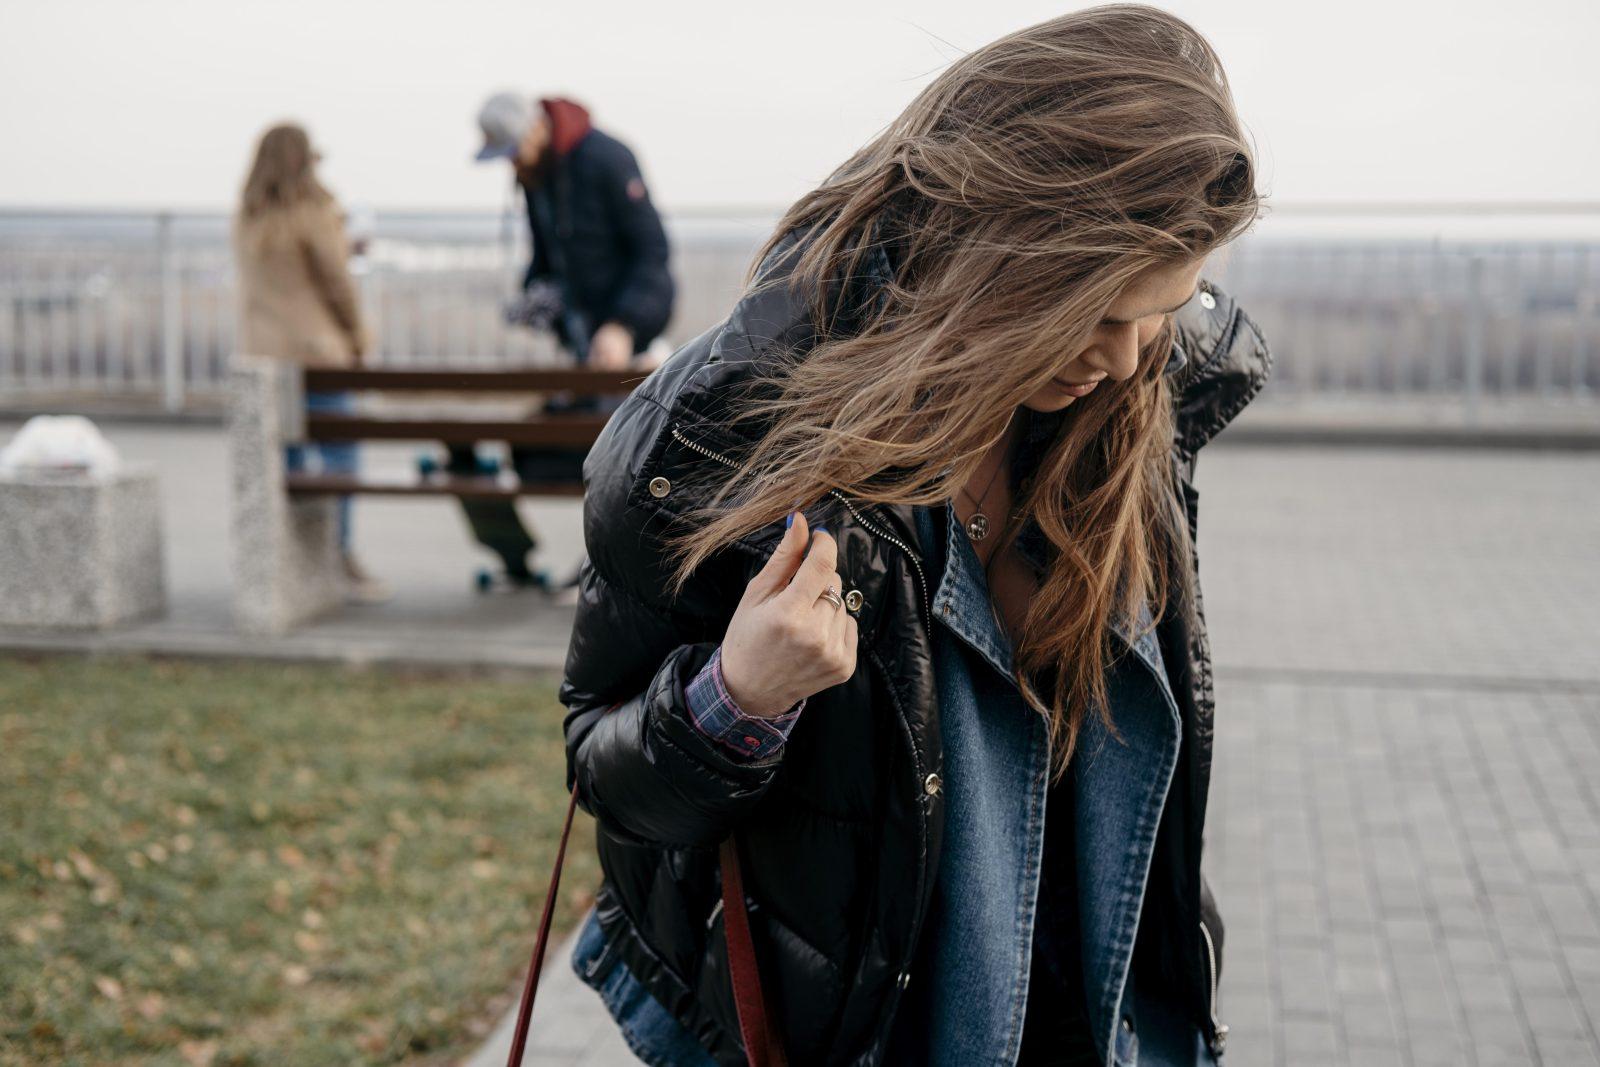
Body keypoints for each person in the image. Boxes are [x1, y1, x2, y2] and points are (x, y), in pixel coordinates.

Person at [559, 6, 1268, 1065]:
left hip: (1107, 1013)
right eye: (1092, 312)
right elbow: (599, 763)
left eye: (1157, 310)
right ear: (996, 253)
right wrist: (736, 702)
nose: (1124, 361)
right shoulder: (724, 433)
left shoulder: (1138, 398)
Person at [455, 92, 677, 586]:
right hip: (581, 349)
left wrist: (623, 324)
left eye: (513, 151)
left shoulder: (607, 159)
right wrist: (536, 298)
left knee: (619, 456)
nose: (511, 163)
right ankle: (595, 566)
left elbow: (653, 255)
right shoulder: (537, 178)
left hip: (630, 345)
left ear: (535, 130)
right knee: (548, 449)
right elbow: (547, 260)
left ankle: (612, 569)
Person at [232, 122, 389, 604]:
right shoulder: (313, 212)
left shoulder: (247, 218)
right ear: (304, 161)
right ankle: (338, 555)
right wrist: (360, 338)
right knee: (341, 456)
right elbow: (337, 285)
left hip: (262, 360)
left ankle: (293, 561)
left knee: (291, 464)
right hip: (318, 355)